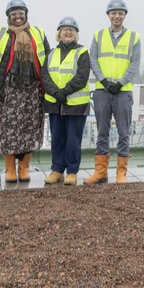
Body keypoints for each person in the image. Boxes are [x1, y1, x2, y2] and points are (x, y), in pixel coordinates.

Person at [0, 0, 49, 184]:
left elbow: (47, 60)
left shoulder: (38, 33)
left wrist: (46, 86)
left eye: (21, 13)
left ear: (26, 14)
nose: (17, 16)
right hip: (7, 89)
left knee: (30, 127)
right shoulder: (0, 34)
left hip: (32, 89)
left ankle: (24, 168)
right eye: (13, 14)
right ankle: (10, 169)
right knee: (8, 129)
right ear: (8, 16)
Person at [86, 0, 141, 184]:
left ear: (125, 16)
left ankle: (121, 173)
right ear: (108, 15)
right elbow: (92, 60)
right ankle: (100, 172)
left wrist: (121, 82)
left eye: (120, 13)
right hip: (102, 90)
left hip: (123, 91)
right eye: (113, 12)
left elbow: (135, 64)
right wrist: (103, 80)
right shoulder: (98, 36)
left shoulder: (134, 37)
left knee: (124, 132)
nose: (117, 16)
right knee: (102, 131)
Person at [42, 17, 91, 185]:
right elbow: (45, 75)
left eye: (72, 29)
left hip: (75, 104)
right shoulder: (51, 53)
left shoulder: (82, 52)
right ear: (59, 33)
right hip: (55, 103)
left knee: (72, 140)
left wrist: (65, 92)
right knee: (57, 138)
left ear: (76, 34)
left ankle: (72, 171)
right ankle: (57, 170)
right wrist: (56, 93)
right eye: (65, 29)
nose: (68, 32)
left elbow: (82, 77)